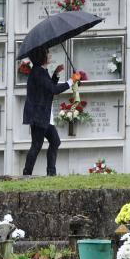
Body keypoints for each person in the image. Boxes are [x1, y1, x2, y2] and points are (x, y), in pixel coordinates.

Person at [22, 47, 81, 176]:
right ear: (41, 55)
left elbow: (48, 88)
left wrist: (56, 74)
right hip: (39, 115)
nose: (49, 54)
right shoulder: (38, 72)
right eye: (47, 52)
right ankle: (27, 174)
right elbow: (53, 90)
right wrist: (72, 81)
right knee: (36, 145)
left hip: (43, 115)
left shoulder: (41, 71)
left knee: (55, 142)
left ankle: (51, 173)